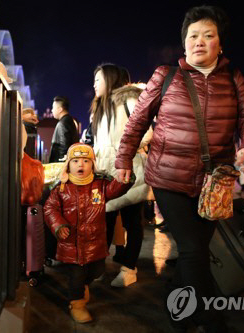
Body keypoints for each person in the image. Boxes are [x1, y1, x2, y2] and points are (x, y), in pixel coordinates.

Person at [115, 5, 244, 332]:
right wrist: (123, 160)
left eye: (208, 35)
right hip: (169, 177)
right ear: (184, 44)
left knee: (192, 252)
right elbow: (137, 122)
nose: (200, 41)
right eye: (193, 36)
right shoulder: (165, 76)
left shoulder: (234, 79)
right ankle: (211, 319)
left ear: (220, 44)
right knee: (193, 248)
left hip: (213, 182)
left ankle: (175, 302)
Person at [43, 143, 134, 323]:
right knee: (76, 274)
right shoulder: (61, 187)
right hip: (72, 242)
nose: (80, 165)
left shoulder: (99, 184)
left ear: (93, 164)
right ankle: (77, 304)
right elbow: (49, 208)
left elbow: (114, 190)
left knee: (98, 269)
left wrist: (124, 180)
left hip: (95, 241)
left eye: (86, 161)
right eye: (75, 161)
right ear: (68, 164)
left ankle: (83, 285)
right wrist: (59, 226)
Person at [90, 63, 152, 287]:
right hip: (105, 175)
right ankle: (98, 266)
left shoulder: (130, 101)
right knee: (103, 221)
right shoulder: (99, 109)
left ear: (111, 79)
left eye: (98, 79)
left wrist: (123, 150)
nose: (94, 84)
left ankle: (129, 269)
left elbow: (148, 133)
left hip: (129, 172)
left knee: (132, 221)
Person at [48, 96, 79, 163]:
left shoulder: (62, 123)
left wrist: (62, 164)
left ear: (60, 109)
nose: (52, 110)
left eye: (53, 108)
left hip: (60, 166)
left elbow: (64, 146)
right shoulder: (70, 121)